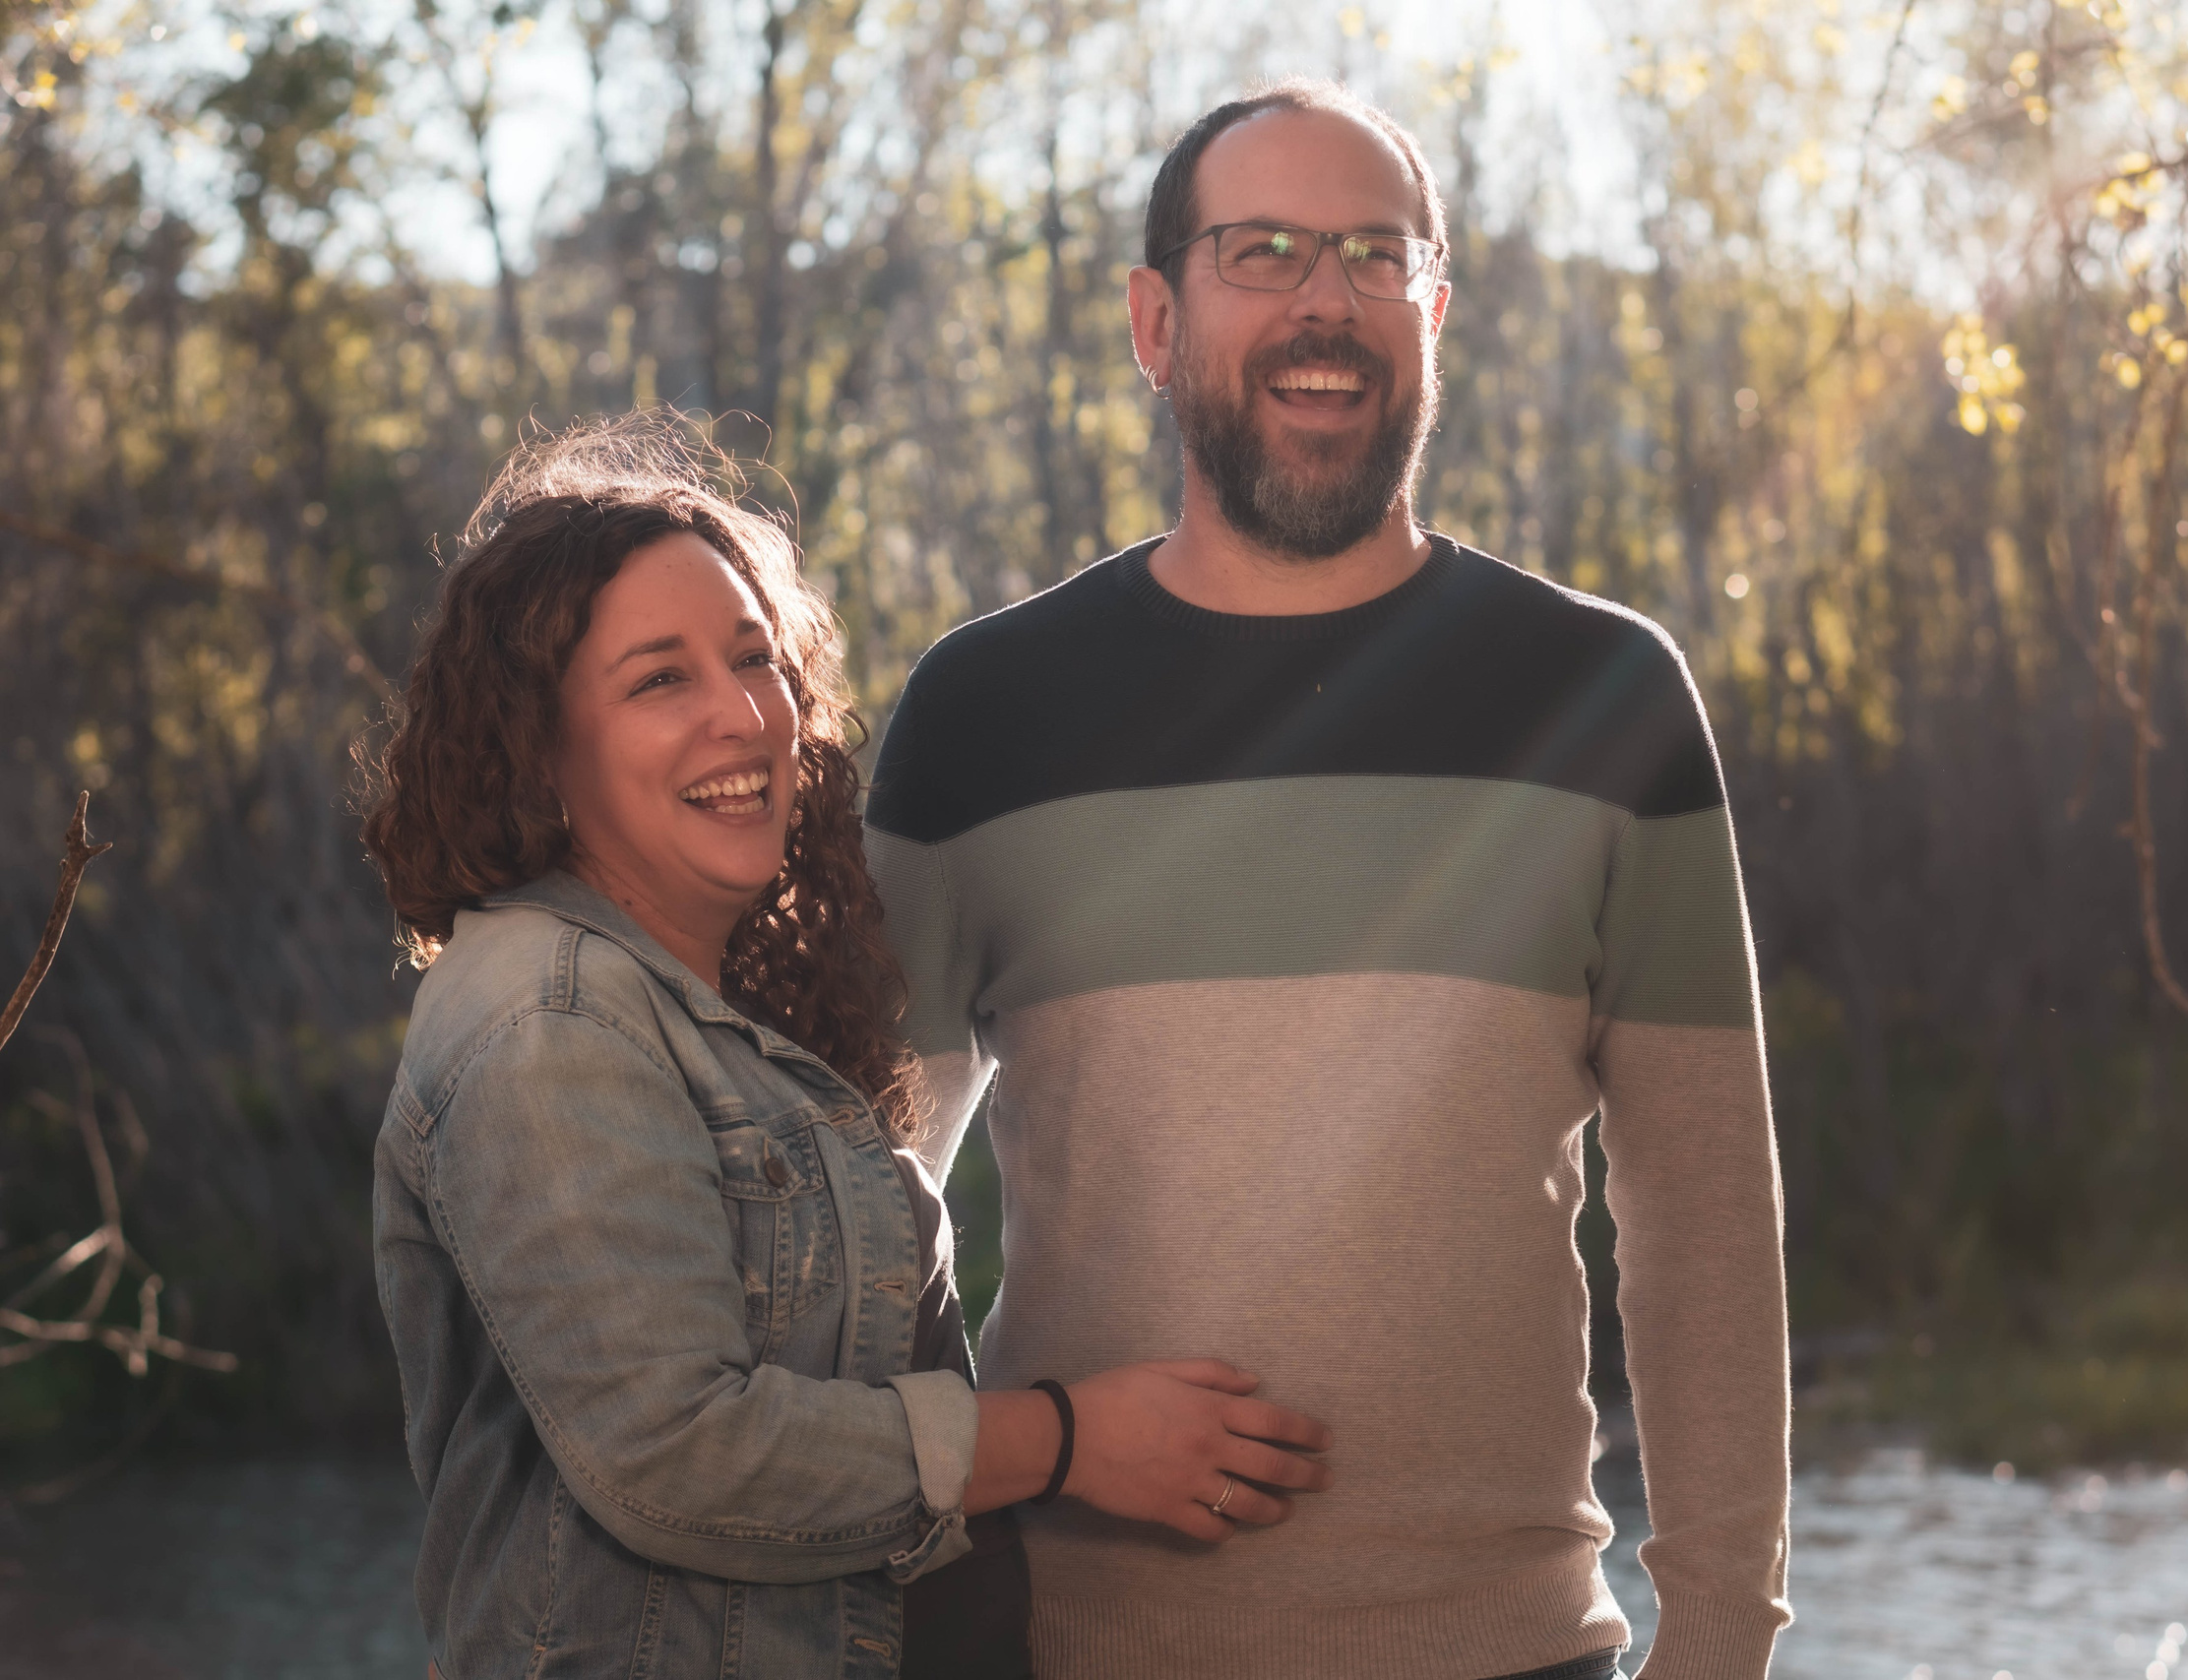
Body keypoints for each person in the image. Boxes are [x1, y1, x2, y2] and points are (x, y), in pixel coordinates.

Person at [864, 80, 1791, 1680]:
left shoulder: (1608, 701)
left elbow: (1705, 1220)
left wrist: (1716, 1643)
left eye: (1376, 255)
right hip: (1069, 1653)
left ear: (1436, 313)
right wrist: (1033, 1449)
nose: (1325, 299)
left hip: (1511, 1651)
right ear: (1155, 322)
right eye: (1264, 249)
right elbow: (854, 1233)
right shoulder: (985, 715)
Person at [361, 418, 1332, 1680]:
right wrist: (1073, 1440)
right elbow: (676, 1457)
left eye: (754, 660)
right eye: (660, 679)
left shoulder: (710, 1017)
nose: (742, 716)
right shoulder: (551, 1016)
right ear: (539, 751)